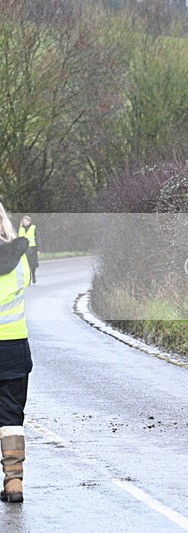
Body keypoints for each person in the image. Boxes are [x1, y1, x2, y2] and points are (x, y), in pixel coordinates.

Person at [0, 201, 31, 503]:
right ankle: (14, 483)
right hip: (13, 348)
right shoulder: (19, 260)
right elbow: (26, 286)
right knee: (11, 417)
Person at [18, 216, 38, 284]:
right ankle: (28, 279)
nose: (24, 222)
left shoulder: (33, 227)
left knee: (33, 264)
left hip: (32, 248)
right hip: (24, 249)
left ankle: (33, 275)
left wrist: (39, 249)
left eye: (26, 221)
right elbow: (19, 239)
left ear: (29, 221)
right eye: (23, 221)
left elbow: (37, 238)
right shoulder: (21, 228)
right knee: (26, 264)